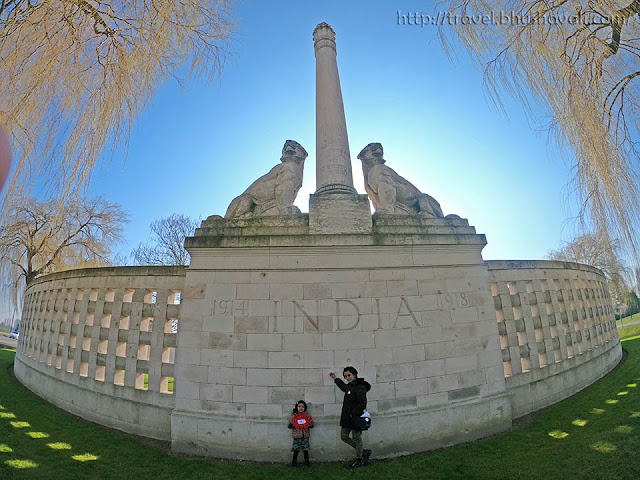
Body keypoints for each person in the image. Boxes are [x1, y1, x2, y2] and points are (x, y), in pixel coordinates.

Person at [330, 366, 372, 468]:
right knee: (344, 436)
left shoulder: (360, 387)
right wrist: (336, 378)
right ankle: (363, 452)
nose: (347, 378)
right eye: (345, 376)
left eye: (349, 375)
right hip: (347, 417)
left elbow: (362, 403)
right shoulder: (350, 386)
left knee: (356, 437)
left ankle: (359, 459)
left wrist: (353, 413)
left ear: (354, 374)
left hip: (355, 417)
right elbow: (343, 387)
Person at [288, 400, 314, 467]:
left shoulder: (307, 415)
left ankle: (307, 462)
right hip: (297, 436)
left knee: (306, 450)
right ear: (297, 407)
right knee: (296, 449)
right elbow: (289, 425)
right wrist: (293, 425)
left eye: (302, 406)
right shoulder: (293, 416)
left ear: (304, 408)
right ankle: (294, 463)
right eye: (299, 406)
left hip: (305, 436)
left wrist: (309, 424)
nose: (301, 408)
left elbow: (312, 424)